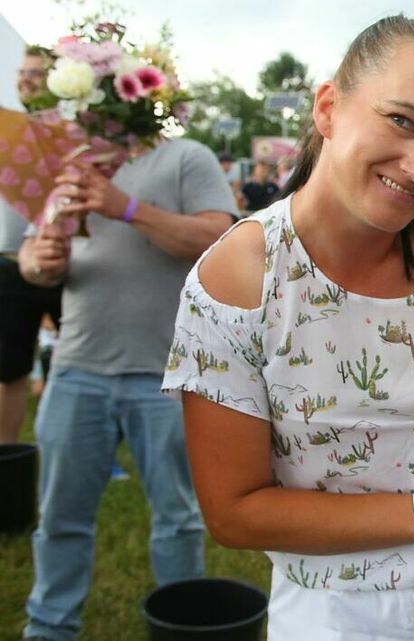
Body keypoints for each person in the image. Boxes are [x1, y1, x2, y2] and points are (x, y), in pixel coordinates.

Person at [161, 16, 414, 640]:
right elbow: (235, 512)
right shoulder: (243, 279)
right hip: (333, 607)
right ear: (328, 107)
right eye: (401, 120)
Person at [17, 94, 237, 641]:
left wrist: (128, 208)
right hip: (76, 367)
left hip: (165, 372)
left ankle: (183, 627)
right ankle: (48, 627)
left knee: (177, 517)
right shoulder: (67, 165)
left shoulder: (185, 157)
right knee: (59, 516)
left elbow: (219, 240)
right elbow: (33, 255)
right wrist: (39, 263)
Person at [1, 45, 62, 444]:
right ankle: (7, 460)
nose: (26, 79)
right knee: (9, 372)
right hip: (10, 264)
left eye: (36, 73)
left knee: (79, 368)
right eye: (23, 72)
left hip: (67, 263)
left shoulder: (75, 135)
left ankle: (96, 452)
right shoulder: (7, 130)